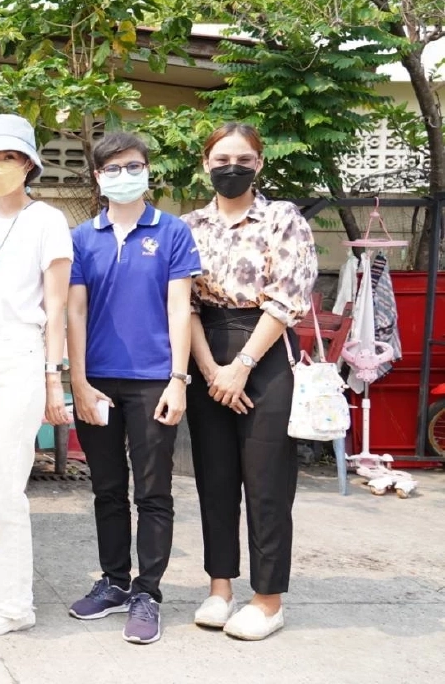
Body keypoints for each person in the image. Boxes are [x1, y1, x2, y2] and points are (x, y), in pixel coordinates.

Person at [66, 132, 202, 644]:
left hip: (153, 381)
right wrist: (77, 379)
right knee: (105, 487)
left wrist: (179, 379)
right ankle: (114, 582)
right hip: (97, 379)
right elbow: (74, 310)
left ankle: (148, 592)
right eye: (113, 168)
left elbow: (178, 309)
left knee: (152, 491)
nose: (124, 175)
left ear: (148, 170)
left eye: (134, 165)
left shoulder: (171, 232)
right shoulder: (82, 238)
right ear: (98, 176)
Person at [182, 123, 316, 641]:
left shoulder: (283, 218)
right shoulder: (189, 225)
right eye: (220, 158)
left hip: (265, 351)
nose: (230, 167)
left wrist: (239, 366)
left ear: (259, 164)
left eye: (242, 158)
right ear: (206, 164)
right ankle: (220, 589)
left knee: (266, 484)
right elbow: (183, 303)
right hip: (204, 353)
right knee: (214, 480)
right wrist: (211, 369)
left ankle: (268, 599)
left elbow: (288, 297)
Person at [0, 113, 73, 636]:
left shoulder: (48, 220)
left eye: (9, 158)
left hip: (21, 356)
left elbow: (57, 305)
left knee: (7, 486)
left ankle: (14, 606)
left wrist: (54, 377)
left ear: (29, 164)